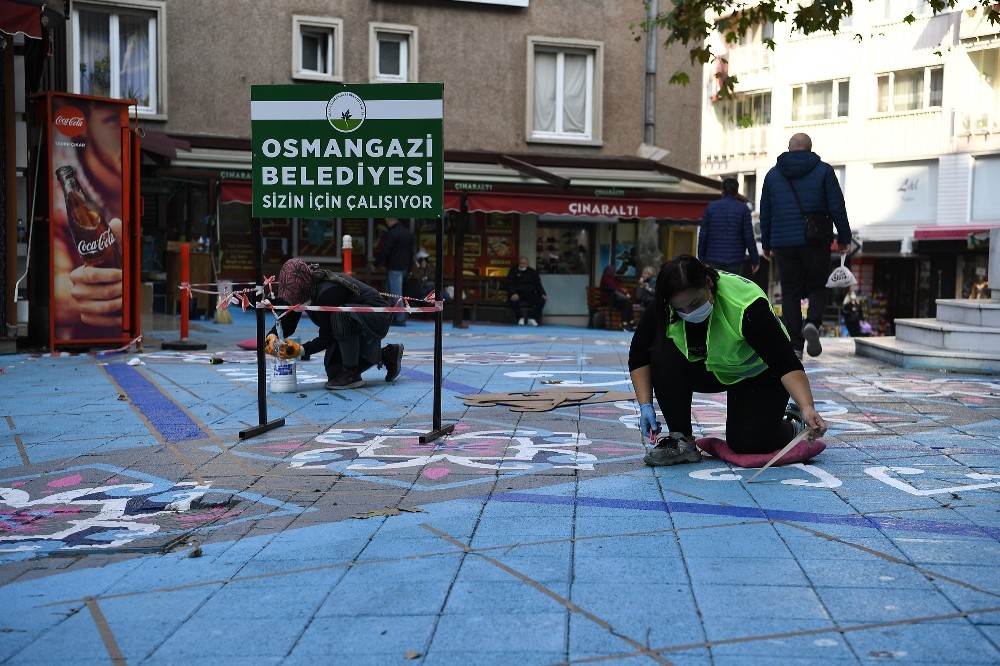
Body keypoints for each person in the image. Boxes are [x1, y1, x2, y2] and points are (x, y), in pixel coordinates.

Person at [629, 254, 827, 466]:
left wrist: (806, 406)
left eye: (694, 303)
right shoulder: (665, 304)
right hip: (714, 368)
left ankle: (791, 423)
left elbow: (785, 363)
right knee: (661, 350)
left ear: (708, 282)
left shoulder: (746, 305)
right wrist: (645, 405)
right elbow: (639, 355)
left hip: (758, 373)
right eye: (680, 309)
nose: (689, 313)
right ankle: (682, 441)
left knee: (747, 444)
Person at [760, 133, 852, 359]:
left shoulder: (772, 175)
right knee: (817, 287)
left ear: (789, 148)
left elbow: (766, 212)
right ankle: (812, 322)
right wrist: (844, 237)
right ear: (810, 148)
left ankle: (795, 345)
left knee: (790, 292)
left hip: (783, 243)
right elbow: (837, 206)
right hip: (815, 241)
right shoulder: (824, 171)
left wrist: (767, 243)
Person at [265, 258, 404, 390]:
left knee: (341, 316)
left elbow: (328, 336)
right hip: (354, 320)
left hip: (377, 316)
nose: (291, 303)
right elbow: (288, 321)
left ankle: (350, 373)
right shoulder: (300, 288)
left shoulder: (328, 292)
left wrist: (301, 350)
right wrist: (272, 336)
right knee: (335, 372)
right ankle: (386, 355)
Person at [697, 177, 760, 277]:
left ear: (722, 191)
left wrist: (702, 258)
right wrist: (755, 260)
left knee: (715, 285)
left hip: (713, 258)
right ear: (737, 192)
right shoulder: (743, 209)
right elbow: (749, 237)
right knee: (732, 285)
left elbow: (703, 234)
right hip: (735, 259)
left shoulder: (711, 207)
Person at [374, 217, 414, 326]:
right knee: (391, 292)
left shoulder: (392, 233)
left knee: (395, 294)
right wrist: (409, 269)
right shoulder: (407, 233)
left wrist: (375, 263)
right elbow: (411, 253)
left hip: (394, 267)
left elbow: (386, 250)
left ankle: (400, 318)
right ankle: (392, 316)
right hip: (404, 267)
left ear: (390, 220)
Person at [506, 256, 547, 326]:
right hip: (517, 293)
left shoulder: (533, 272)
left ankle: (532, 318)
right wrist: (513, 293)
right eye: (521, 263)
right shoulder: (513, 271)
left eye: (524, 263)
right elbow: (509, 283)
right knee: (513, 300)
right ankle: (520, 318)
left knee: (541, 301)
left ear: (527, 264)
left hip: (530, 293)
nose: (522, 265)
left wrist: (543, 293)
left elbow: (538, 284)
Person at [600, 265, 637, 331]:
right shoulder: (605, 278)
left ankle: (630, 322)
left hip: (615, 299)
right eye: (611, 270)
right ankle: (625, 323)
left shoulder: (614, 278)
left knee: (627, 303)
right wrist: (625, 293)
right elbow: (614, 288)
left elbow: (618, 287)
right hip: (610, 300)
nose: (613, 271)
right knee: (625, 303)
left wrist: (624, 292)